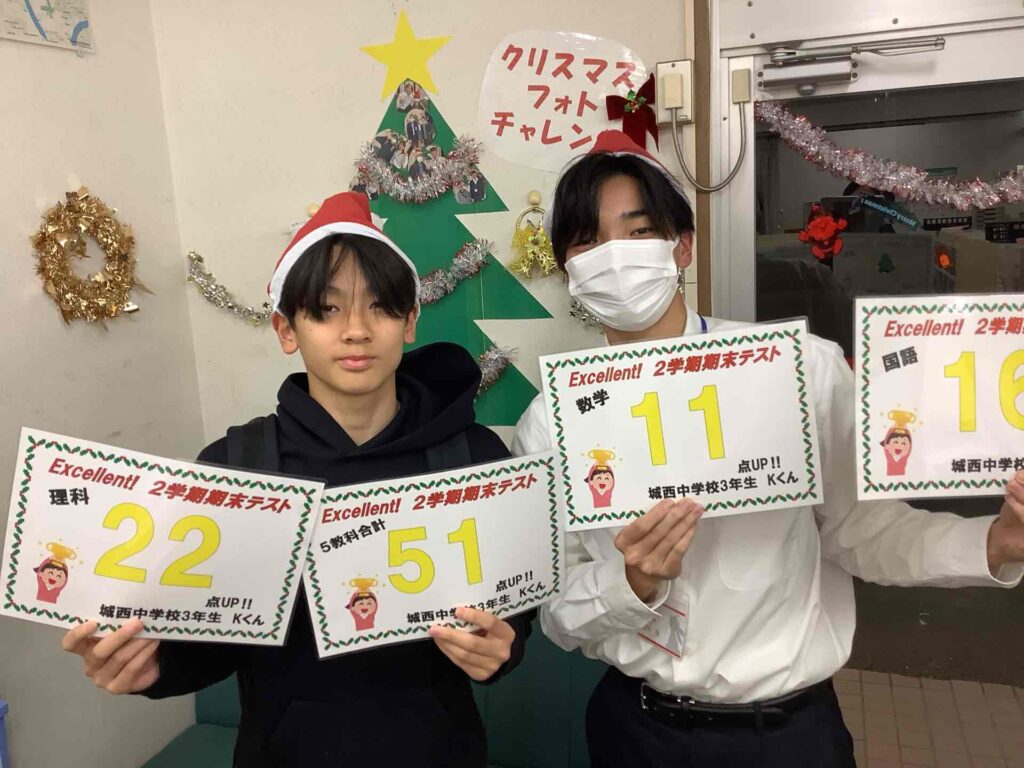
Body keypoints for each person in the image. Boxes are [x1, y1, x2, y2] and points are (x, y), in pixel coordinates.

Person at [511, 130, 1024, 768]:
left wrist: (992, 544)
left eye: (638, 232)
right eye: (588, 241)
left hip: (789, 737)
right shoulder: (553, 421)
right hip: (640, 731)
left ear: (683, 246)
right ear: (569, 269)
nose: (614, 256)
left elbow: (862, 531)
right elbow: (559, 614)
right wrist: (631, 582)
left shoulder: (799, 371)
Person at [62, 191, 534, 767]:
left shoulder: (474, 458)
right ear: (287, 329)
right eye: (326, 309)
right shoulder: (237, 469)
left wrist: (503, 647)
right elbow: (206, 642)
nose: (356, 330)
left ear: (410, 321)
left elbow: (513, 613)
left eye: (381, 307)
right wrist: (149, 666)